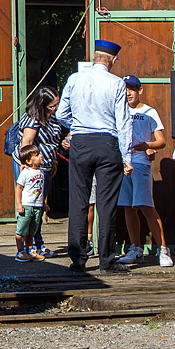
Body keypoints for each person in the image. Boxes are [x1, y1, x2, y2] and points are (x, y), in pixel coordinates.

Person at [55, 40, 132, 273]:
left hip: (81, 143)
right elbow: (124, 122)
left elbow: (60, 114)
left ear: (94, 57)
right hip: (107, 143)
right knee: (106, 203)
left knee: (78, 200)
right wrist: (126, 155)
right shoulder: (117, 83)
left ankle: (78, 259)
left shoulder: (74, 79)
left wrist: (76, 129)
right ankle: (107, 260)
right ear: (113, 60)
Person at [119, 76, 173, 267]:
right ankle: (135, 248)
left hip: (141, 164)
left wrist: (148, 146)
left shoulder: (150, 112)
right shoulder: (118, 110)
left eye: (132, 89)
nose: (128, 92)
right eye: (125, 89)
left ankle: (163, 249)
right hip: (123, 165)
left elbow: (161, 140)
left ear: (140, 90)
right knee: (128, 207)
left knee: (146, 206)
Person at [13, 86, 69, 258]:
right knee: (30, 206)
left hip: (46, 164)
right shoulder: (33, 118)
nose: (56, 109)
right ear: (42, 104)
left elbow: (53, 142)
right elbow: (27, 142)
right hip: (31, 166)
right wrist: (26, 166)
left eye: (57, 105)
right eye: (52, 106)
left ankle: (36, 244)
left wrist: (54, 161)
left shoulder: (54, 118)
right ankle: (30, 245)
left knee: (40, 205)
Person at [14, 144, 48, 262]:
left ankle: (30, 251)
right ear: (28, 161)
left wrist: (43, 203)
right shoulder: (26, 172)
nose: (41, 156)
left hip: (37, 205)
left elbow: (41, 189)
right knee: (22, 230)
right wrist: (19, 204)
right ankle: (20, 252)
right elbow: (19, 188)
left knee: (32, 231)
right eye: (37, 155)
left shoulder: (41, 172)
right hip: (27, 205)